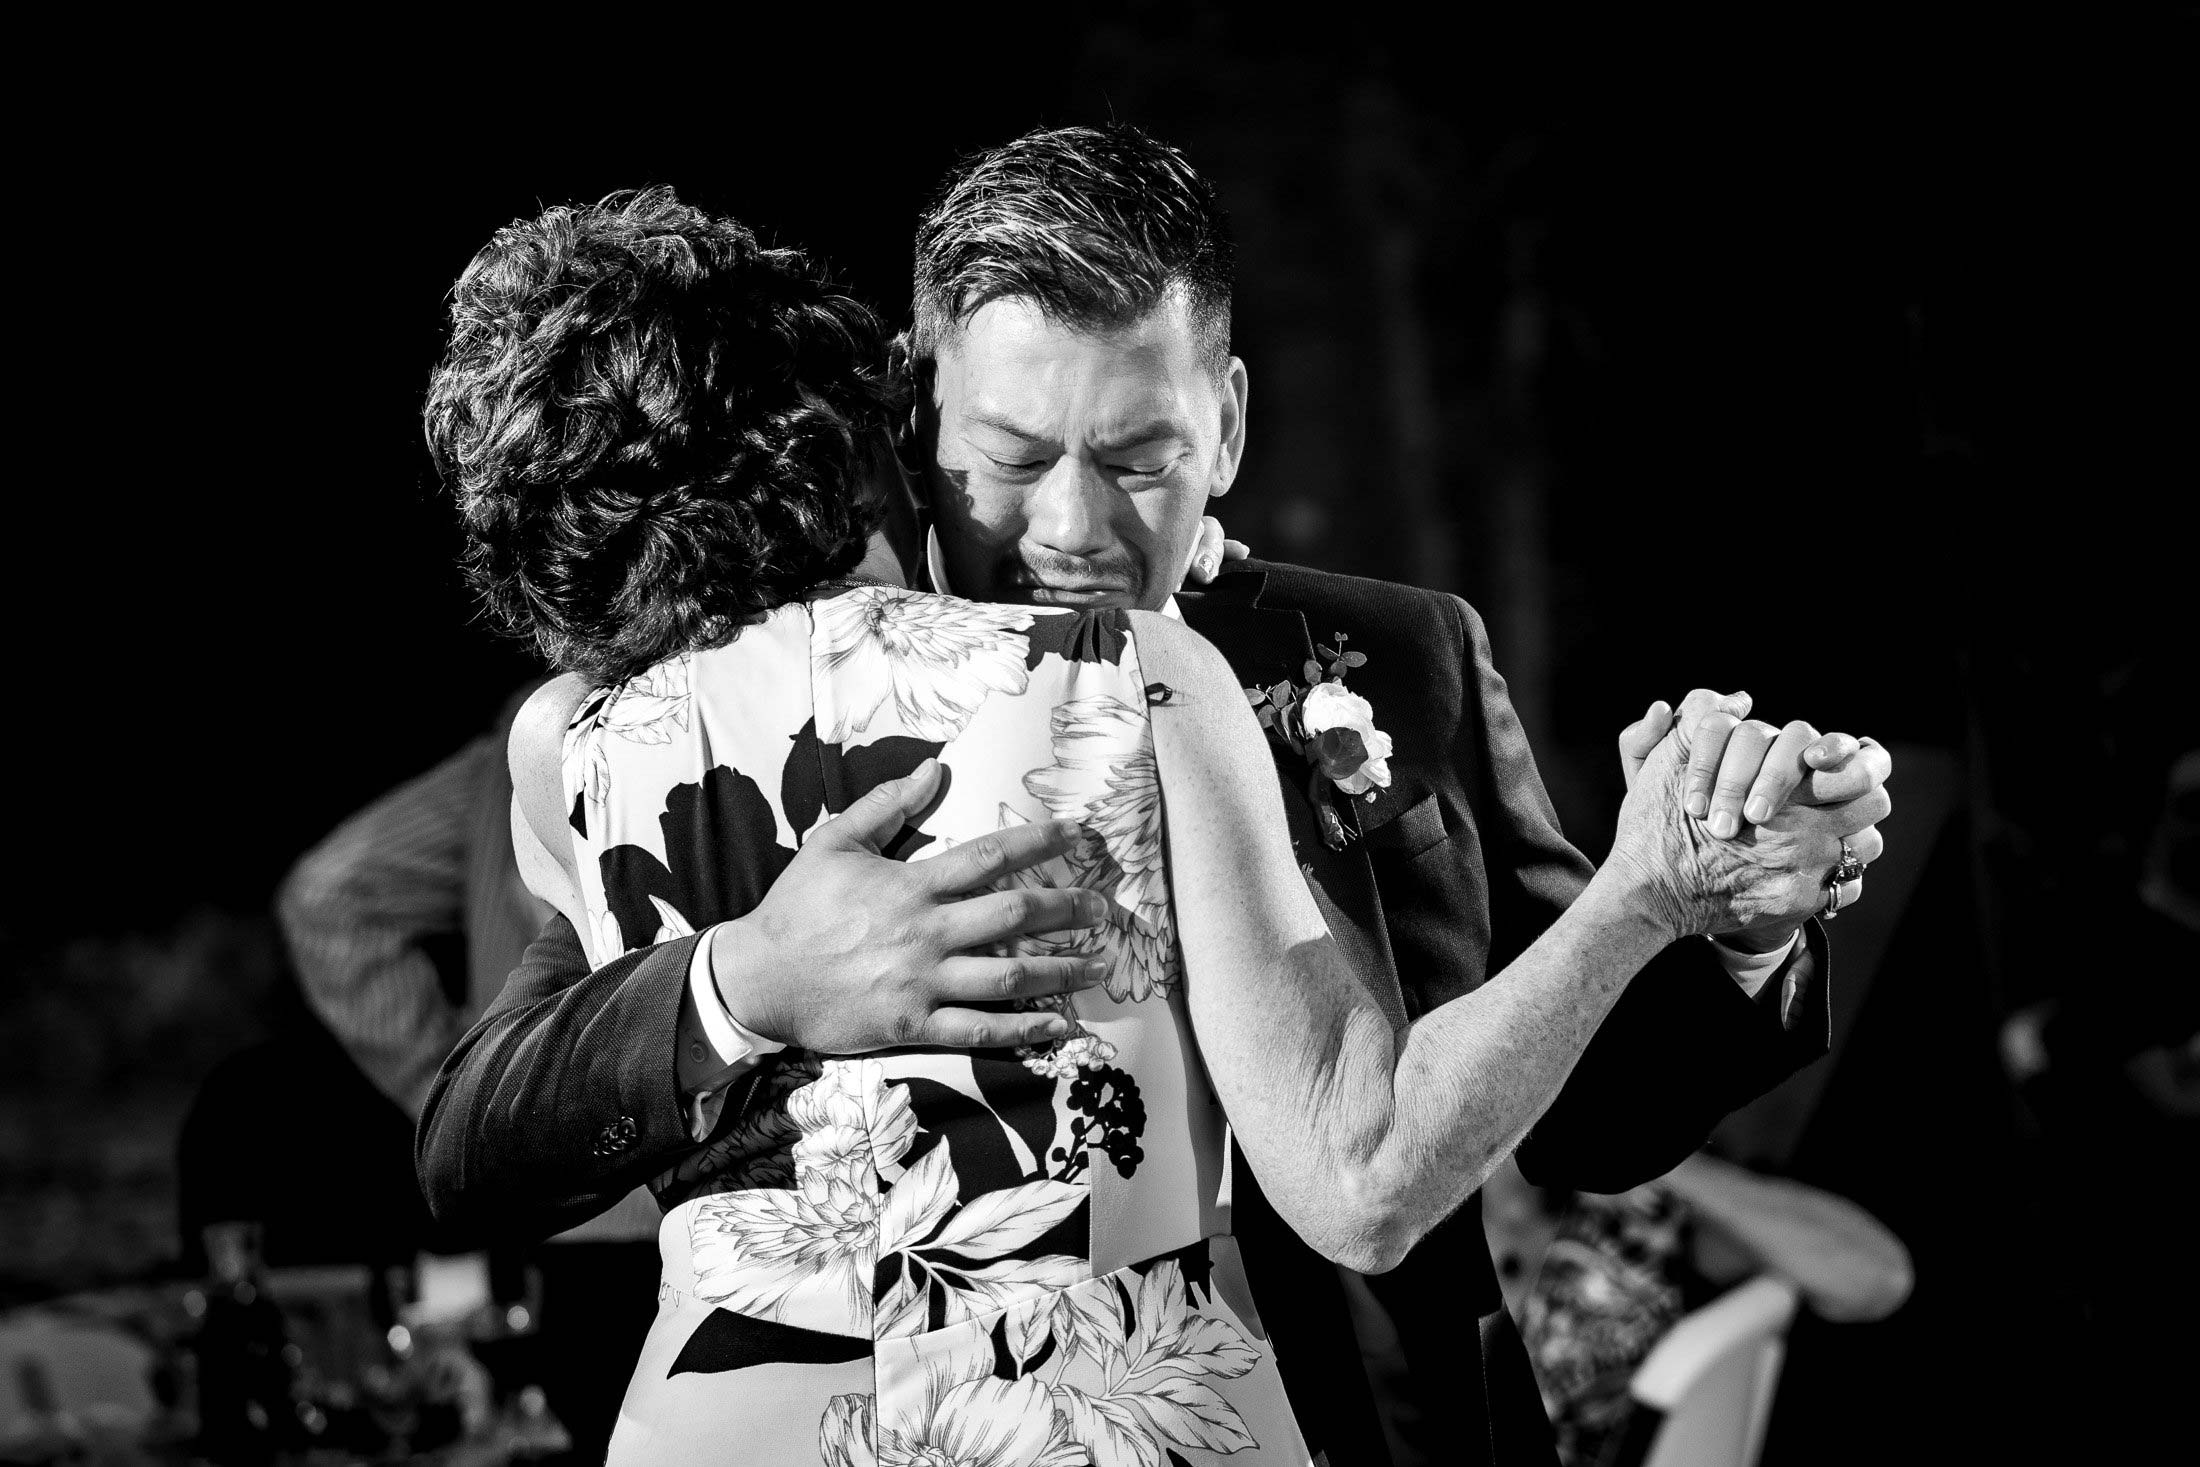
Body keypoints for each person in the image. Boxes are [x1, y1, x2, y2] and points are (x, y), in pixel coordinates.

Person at [418, 129, 1891, 1467]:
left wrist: (1735, 924)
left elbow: (1594, 1119)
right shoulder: (697, 717)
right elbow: (483, 1137)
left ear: (1227, 424)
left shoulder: (1402, 653)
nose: (1070, 528)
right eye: (1011, 459)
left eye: (1137, 461)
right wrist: (743, 981)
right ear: (911, 408)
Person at [275, 686, 661, 1461]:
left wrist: (473, 1104)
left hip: (562, 1201)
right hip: (687, 1199)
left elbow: (331, 902)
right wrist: (460, 1096)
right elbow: (329, 901)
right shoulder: (704, 707)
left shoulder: (515, 750)